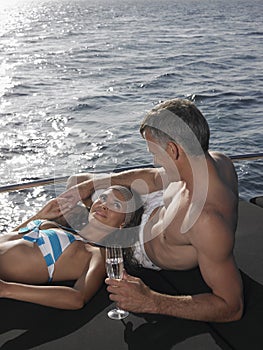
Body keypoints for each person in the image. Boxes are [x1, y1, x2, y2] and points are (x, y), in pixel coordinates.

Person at [58, 98, 244, 322]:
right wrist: (93, 184)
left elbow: (231, 307)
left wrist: (151, 300)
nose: (155, 161)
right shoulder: (217, 161)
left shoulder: (204, 220)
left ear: (173, 150)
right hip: (158, 207)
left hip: (140, 243)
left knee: (71, 223)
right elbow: (155, 177)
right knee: (76, 182)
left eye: (155, 153)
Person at [0, 185, 143, 309]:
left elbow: (77, 299)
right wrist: (40, 215)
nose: (104, 205)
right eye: (104, 198)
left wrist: (6, 289)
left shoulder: (98, 254)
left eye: (116, 205)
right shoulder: (57, 226)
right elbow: (11, 238)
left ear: (123, 224)